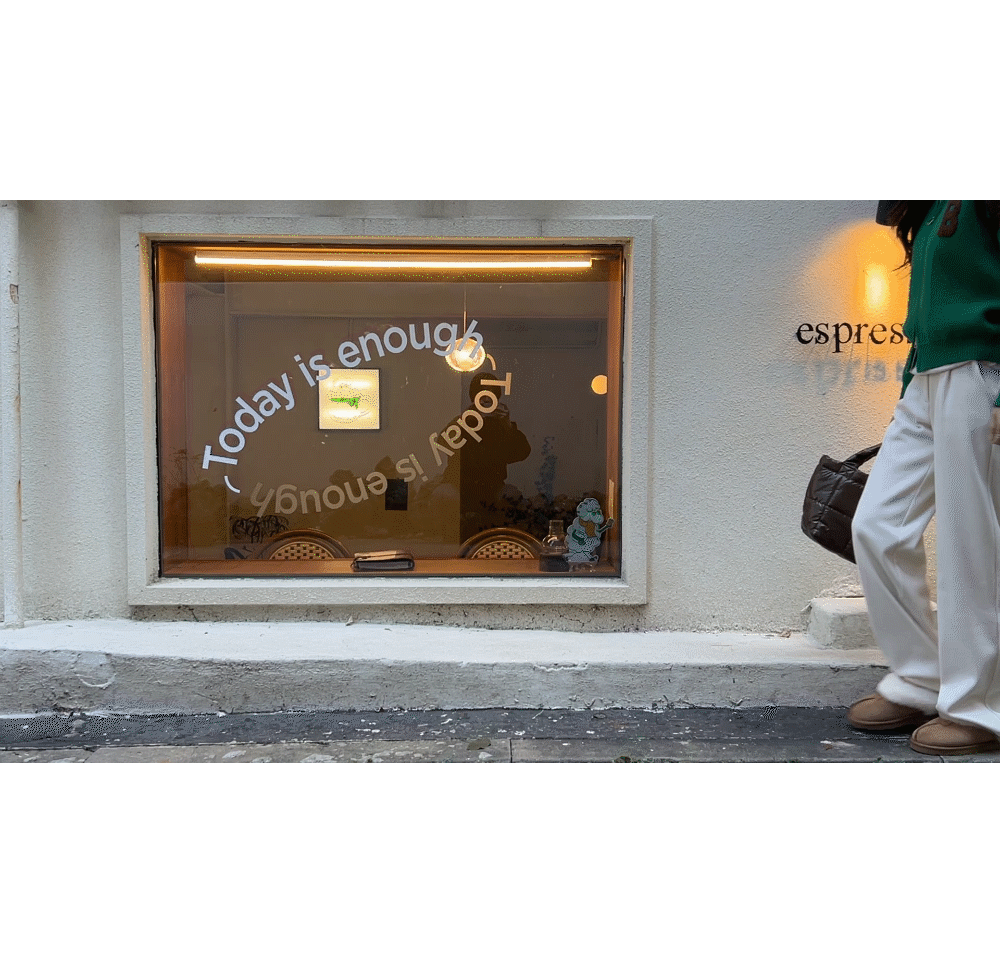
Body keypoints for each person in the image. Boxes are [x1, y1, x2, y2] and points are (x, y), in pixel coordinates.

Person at [848, 200, 1000, 755]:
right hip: (927, 374)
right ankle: (920, 678)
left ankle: (978, 706)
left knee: (969, 545)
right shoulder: (934, 202)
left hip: (981, 371)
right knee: (876, 526)